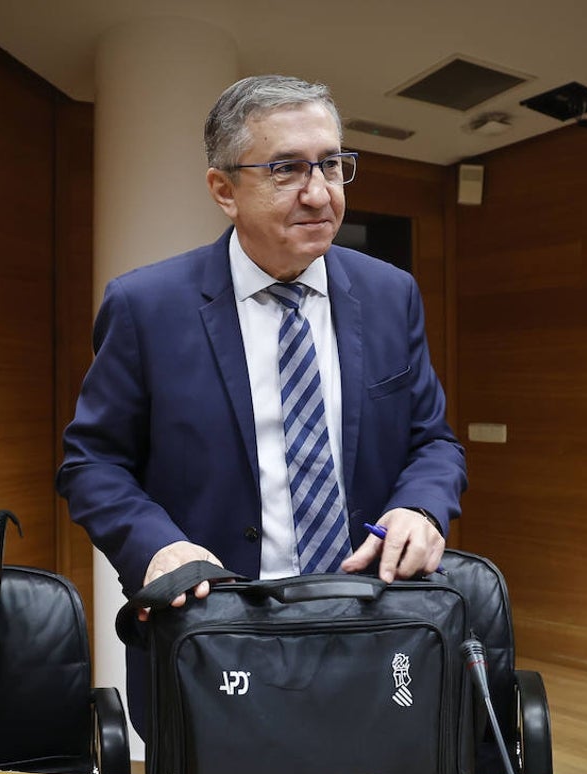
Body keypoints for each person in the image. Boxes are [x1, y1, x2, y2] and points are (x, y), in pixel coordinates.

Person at [57, 74, 467, 732]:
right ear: (224, 189)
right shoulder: (147, 307)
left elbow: (433, 441)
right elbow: (91, 465)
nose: (319, 193)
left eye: (332, 165)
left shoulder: (392, 295)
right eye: (286, 169)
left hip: (370, 628)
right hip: (213, 637)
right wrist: (158, 548)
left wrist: (420, 506)